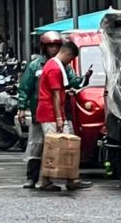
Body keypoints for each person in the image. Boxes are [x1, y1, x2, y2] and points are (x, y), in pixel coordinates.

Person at [17, 32, 81, 188]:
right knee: (37, 145)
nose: (53, 49)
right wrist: (21, 106)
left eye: (55, 46)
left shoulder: (63, 66)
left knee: (54, 144)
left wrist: (81, 80)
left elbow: (68, 85)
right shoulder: (36, 66)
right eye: (50, 46)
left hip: (53, 111)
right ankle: (34, 178)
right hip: (44, 111)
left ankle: (55, 179)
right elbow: (26, 87)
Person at [33, 37, 89, 193]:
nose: (71, 62)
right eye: (71, 58)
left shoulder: (52, 65)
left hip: (50, 111)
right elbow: (56, 95)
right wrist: (59, 119)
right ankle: (51, 181)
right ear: (68, 54)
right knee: (56, 146)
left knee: (56, 145)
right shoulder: (55, 69)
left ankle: (70, 178)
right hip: (51, 112)